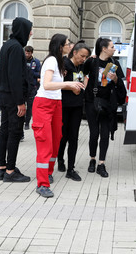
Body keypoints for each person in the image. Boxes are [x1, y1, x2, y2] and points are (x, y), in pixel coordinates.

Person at [32, 33, 85, 197]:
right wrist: (68, 83)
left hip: (56, 104)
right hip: (44, 104)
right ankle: (42, 184)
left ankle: (48, 172)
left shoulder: (60, 61)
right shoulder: (51, 60)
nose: (71, 46)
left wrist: (73, 86)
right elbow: (47, 84)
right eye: (68, 43)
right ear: (60, 46)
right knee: (45, 144)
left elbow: (55, 85)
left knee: (56, 141)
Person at [83, 37, 126, 178]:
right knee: (94, 133)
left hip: (108, 104)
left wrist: (115, 79)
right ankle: (92, 159)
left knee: (105, 134)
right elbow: (80, 71)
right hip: (91, 102)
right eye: (112, 46)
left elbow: (121, 85)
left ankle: (101, 163)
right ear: (104, 48)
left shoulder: (115, 63)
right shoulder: (92, 62)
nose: (114, 49)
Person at [0, 17, 32, 183]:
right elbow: (15, 76)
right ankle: (10, 171)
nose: (31, 33)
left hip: (4, 95)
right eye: (29, 29)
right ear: (23, 30)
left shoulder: (6, 45)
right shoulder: (17, 48)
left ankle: (2, 168)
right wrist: (20, 102)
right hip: (12, 97)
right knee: (14, 132)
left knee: (4, 130)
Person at [57, 42, 91, 181]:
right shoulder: (64, 64)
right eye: (82, 56)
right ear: (74, 52)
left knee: (74, 137)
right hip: (64, 105)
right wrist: (71, 87)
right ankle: (60, 159)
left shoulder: (82, 66)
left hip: (77, 106)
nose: (83, 59)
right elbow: (56, 84)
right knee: (62, 136)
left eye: (86, 57)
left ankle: (71, 169)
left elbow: (84, 79)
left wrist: (82, 86)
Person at [24, 46, 41, 130]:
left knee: (30, 106)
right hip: (23, 86)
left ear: (31, 53)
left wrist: (30, 73)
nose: (27, 55)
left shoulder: (36, 62)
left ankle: (27, 122)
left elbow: (39, 73)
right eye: (26, 53)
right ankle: (22, 120)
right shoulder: (21, 60)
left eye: (28, 53)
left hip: (32, 86)